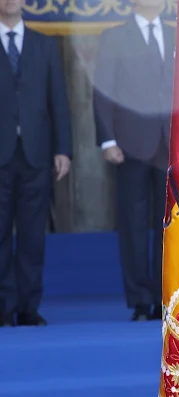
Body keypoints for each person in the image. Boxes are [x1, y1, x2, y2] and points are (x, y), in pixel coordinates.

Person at [93, 0, 175, 321]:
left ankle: (164, 296)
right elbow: (103, 91)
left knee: (166, 224)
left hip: (169, 143)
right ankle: (141, 299)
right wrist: (108, 139)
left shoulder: (176, 35)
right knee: (134, 223)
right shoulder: (115, 37)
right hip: (129, 143)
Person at [0, 0, 72, 327]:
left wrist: (63, 149)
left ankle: (28, 306)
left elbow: (58, 100)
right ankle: (3, 305)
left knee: (32, 236)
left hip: (37, 154)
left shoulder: (43, 44)